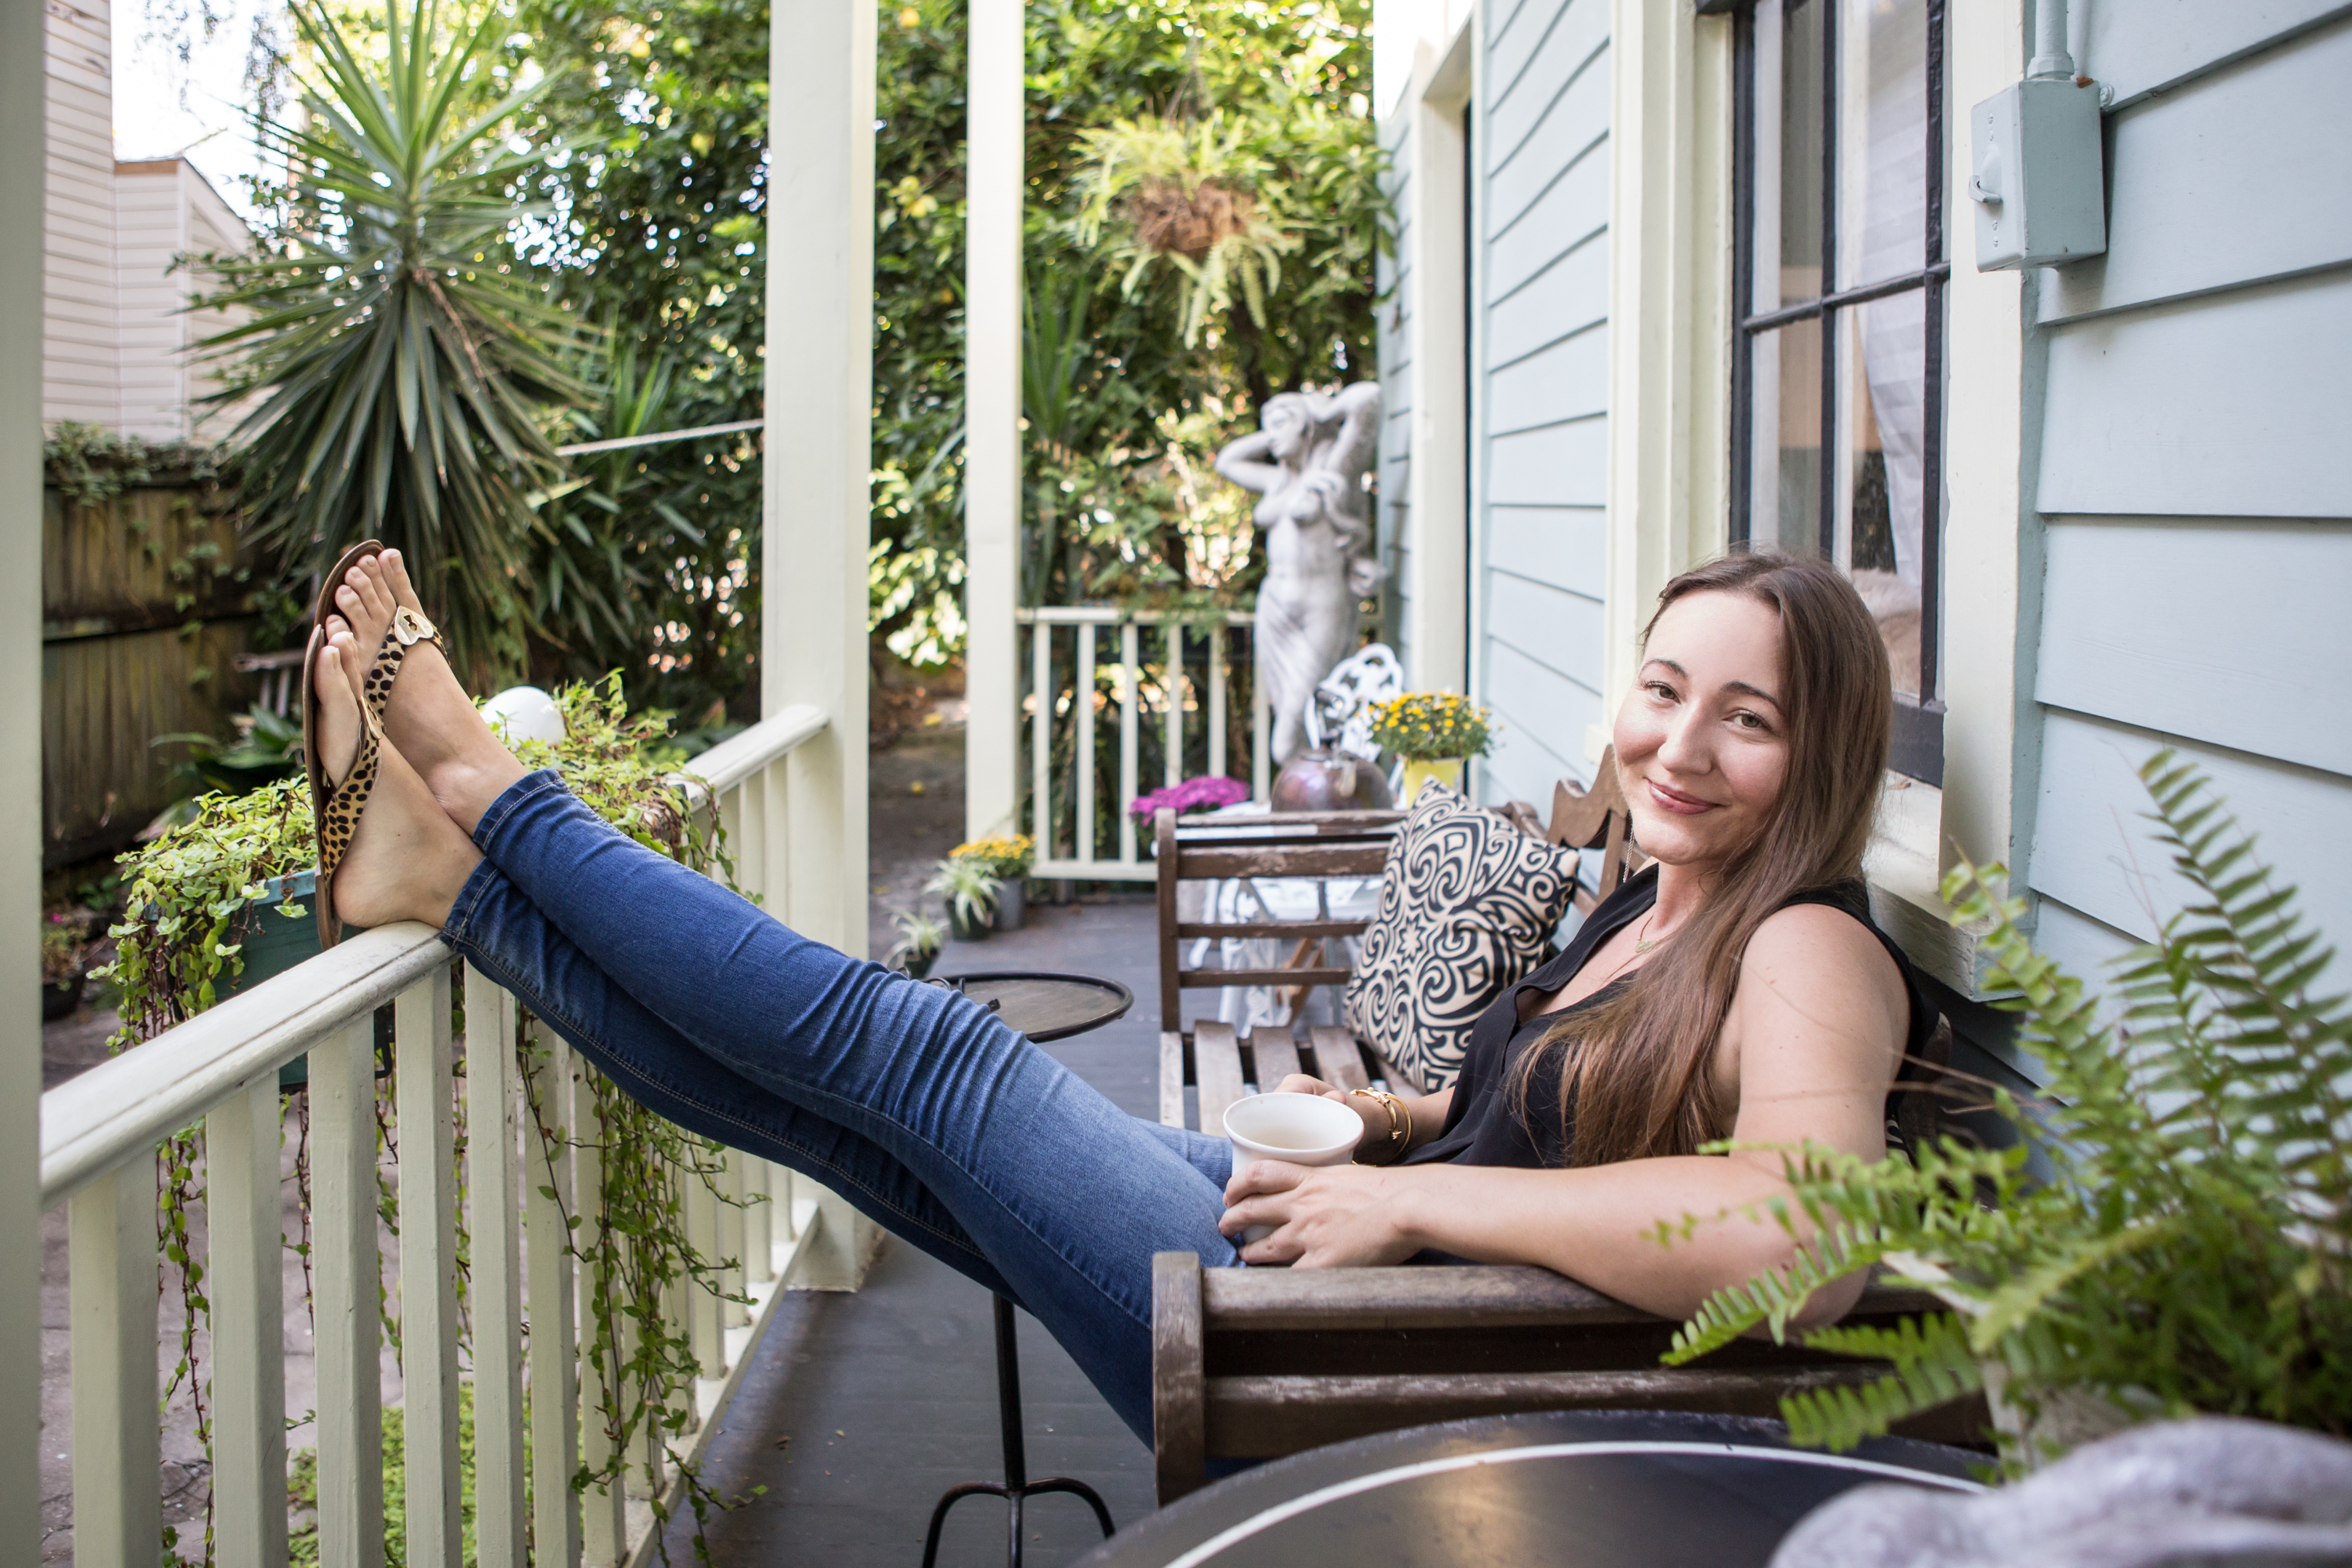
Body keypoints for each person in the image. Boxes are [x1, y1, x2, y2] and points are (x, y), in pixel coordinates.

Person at [301, 546, 1930, 1446]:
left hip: (1363, 1342)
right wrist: (1404, 1121)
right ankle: (450, 893)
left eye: (1749, 718)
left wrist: (1430, 1216)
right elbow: (1589, 1124)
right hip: (1340, 1251)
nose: (1680, 745)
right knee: (865, 1132)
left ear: (1827, 751)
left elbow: (1808, 1239)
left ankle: (477, 774)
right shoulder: (1659, 898)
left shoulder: (1810, 947)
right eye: (1662, 689)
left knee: (924, 1054)